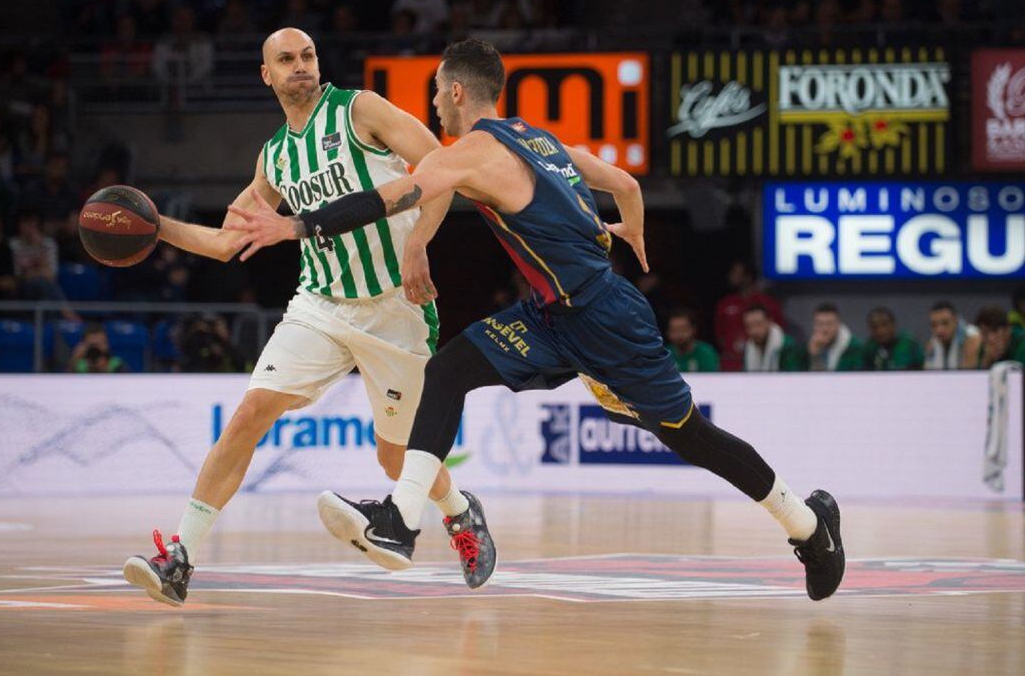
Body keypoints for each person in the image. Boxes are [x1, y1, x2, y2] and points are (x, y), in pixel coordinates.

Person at [228, 38, 846, 601]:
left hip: (605, 316)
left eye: (437, 90)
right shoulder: (542, 139)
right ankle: (400, 519)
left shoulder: (470, 150)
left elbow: (391, 197)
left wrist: (297, 224)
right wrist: (628, 227)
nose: (434, 103)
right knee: (446, 373)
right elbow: (626, 183)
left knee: (688, 436)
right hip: (552, 316)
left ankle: (810, 523)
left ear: (458, 91)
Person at [122, 28, 478, 606]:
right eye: (286, 59)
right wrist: (155, 225)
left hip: (394, 306)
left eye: (307, 55)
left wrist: (418, 246)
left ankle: (459, 511)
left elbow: (443, 169)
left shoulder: (360, 109)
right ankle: (179, 559)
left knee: (395, 456)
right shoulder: (276, 156)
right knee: (249, 413)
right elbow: (223, 243)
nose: (300, 66)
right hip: (319, 304)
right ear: (267, 74)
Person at [713, 260, 783, 371]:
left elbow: (778, 331)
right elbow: (720, 334)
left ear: (748, 276)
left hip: (764, 360)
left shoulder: (767, 302)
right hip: (731, 362)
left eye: (736, 273)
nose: (731, 276)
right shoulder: (725, 304)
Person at [800, 303, 863, 371]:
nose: (824, 329)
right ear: (814, 325)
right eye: (820, 324)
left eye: (829, 324)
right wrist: (814, 356)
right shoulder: (805, 348)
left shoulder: (854, 348)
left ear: (838, 324)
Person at [743, 304, 802, 372]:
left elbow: (794, 376)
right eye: (749, 326)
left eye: (758, 324)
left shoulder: (787, 345)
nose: (753, 331)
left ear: (769, 322)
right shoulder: (749, 347)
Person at [862, 306, 924, 371]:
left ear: (893, 324)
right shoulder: (869, 348)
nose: (880, 331)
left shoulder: (909, 344)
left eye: (884, 325)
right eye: (875, 327)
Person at [924, 301, 980, 370]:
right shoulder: (932, 344)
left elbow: (968, 376)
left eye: (945, 323)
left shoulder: (972, 337)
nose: (939, 330)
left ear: (955, 321)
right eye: (934, 325)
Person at [666, 308, 720, 373]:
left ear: (693, 329)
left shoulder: (706, 353)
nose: (679, 334)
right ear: (668, 332)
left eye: (683, 329)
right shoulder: (664, 355)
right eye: (674, 330)